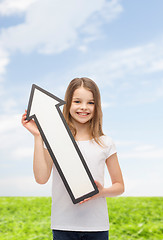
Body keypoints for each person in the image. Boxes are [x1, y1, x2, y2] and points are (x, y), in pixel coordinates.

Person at [21, 77, 124, 240]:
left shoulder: (106, 143)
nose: (84, 107)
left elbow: (119, 186)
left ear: (97, 106)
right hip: (63, 226)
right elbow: (41, 178)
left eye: (90, 103)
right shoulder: (55, 140)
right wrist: (38, 136)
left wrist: (101, 192)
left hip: (97, 226)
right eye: (77, 101)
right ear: (68, 103)